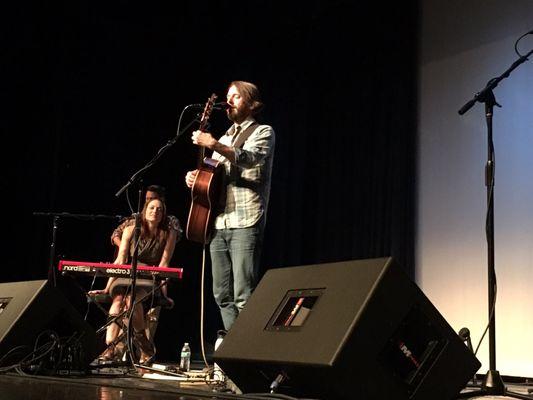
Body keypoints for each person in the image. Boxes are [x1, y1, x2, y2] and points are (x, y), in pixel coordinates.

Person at [185, 80, 275, 330]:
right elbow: (213, 171)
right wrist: (195, 178)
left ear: (252, 103)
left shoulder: (263, 132)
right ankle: (232, 354)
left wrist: (213, 144)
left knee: (243, 295)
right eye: (228, 97)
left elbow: (249, 159)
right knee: (221, 295)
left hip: (245, 221)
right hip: (219, 221)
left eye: (236, 96)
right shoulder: (225, 136)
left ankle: (248, 356)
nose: (229, 102)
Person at [89, 197, 178, 364]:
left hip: (149, 276)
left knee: (132, 301)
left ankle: (138, 347)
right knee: (117, 301)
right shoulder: (131, 229)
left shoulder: (169, 233)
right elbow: (120, 261)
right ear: (144, 211)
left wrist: (164, 294)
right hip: (127, 274)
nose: (155, 212)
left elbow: (164, 264)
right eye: (152, 208)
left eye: (159, 209)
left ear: (163, 214)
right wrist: (106, 289)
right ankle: (114, 348)